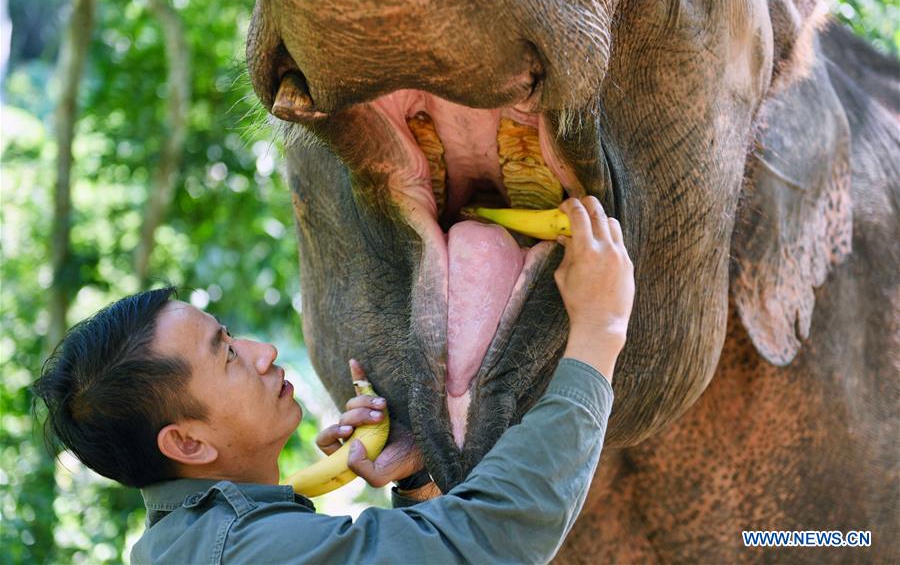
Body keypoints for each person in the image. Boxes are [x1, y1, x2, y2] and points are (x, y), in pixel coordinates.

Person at [33, 196, 634, 564]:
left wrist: (416, 480)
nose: (263, 352)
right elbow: (486, 546)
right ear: (188, 443)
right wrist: (598, 335)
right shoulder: (245, 554)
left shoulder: (204, 540)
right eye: (227, 356)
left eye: (230, 334)